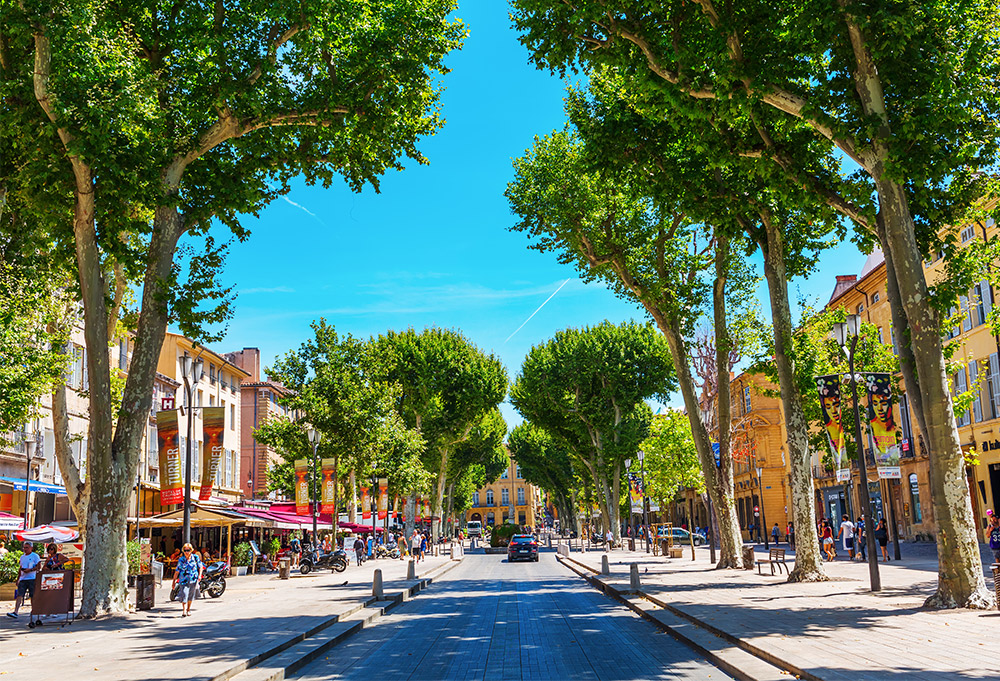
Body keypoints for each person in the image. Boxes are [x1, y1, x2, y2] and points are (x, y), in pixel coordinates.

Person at [7, 542, 40, 619]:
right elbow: (20, 568)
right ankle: (16, 611)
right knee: (19, 595)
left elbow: (39, 567)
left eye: (27, 547)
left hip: (32, 578)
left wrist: (31, 569)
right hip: (23, 578)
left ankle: (33, 610)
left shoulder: (35, 556)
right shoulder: (22, 557)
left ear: (31, 548)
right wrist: (18, 578)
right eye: (24, 547)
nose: (25, 549)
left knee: (32, 595)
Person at [173, 543, 204, 617]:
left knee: (190, 595)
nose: (187, 552)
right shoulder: (181, 559)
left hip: (193, 579)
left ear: (191, 550)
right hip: (183, 580)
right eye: (185, 550)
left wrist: (199, 575)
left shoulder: (195, 557)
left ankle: (188, 609)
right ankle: (184, 610)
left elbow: (200, 567)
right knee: (184, 593)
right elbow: (177, 570)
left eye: (188, 550)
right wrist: (174, 581)